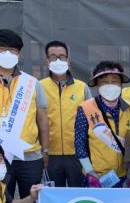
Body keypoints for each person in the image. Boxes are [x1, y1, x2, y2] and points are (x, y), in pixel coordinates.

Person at [0, 29, 50, 203]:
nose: (7, 54)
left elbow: (43, 119)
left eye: (12, 50)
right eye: (1, 49)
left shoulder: (32, 83)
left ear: (19, 54)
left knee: (34, 201)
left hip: (30, 155)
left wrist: (45, 149)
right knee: (0, 202)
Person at [74, 61, 130, 203]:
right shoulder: (86, 108)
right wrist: (89, 172)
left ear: (121, 84)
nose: (110, 85)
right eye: (105, 81)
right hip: (97, 175)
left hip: (123, 173)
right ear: (97, 84)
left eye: (114, 81)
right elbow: (80, 143)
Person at [39, 40, 93, 187]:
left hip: (78, 154)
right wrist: (42, 150)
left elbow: (91, 119)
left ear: (68, 60)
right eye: (53, 57)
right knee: (54, 194)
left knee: (79, 193)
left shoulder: (82, 87)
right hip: (50, 155)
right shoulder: (39, 87)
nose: (58, 60)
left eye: (62, 57)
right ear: (47, 61)